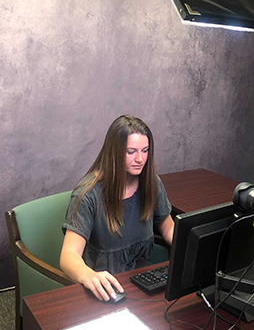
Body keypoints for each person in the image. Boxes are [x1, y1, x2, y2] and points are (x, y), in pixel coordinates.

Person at [60, 115, 174, 301]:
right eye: (131, 152)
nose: (140, 159)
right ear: (114, 152)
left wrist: (192, 249)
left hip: (142, 275)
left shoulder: (151, 182)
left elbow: (168, 227)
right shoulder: (88, 194)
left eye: (145, 151)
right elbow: (68, 255)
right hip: (104, 282)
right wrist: (88, 276)